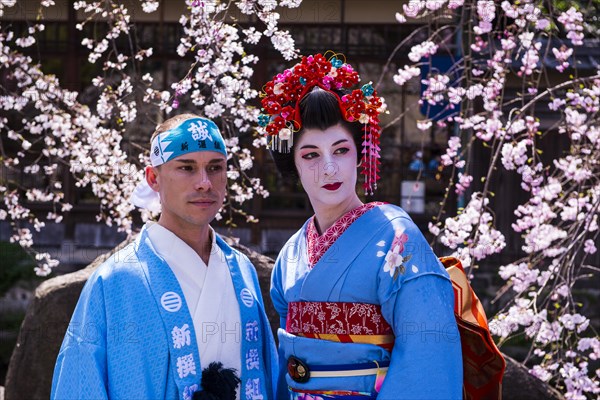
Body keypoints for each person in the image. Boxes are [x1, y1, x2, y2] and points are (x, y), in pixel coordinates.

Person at [258, 54, 463, 399]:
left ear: (360, 153)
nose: (329, 169)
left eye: (341, 150)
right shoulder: (291, 253)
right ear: (292, 163)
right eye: (310, 155)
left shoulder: (399, 239)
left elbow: (428, 358)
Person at [51, 114, 278, 400]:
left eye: (215, 168)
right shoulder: (116, 279)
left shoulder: (241, 269)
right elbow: (80, 382)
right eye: (187, 167)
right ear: (153, 178)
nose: (204, 183)